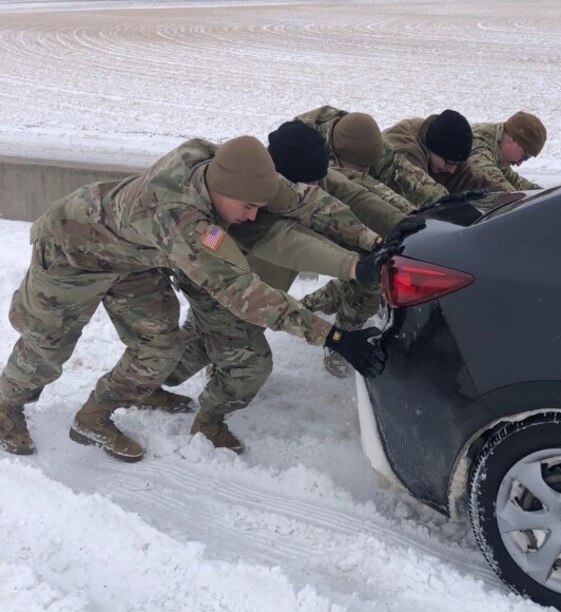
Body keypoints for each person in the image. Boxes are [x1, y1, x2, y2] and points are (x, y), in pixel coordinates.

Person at [0, 136, 386, 461]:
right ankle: (5, 407)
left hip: (135, 257)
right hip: (73, 250)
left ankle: (93, 417)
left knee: (159, 345)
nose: (252, 218)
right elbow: (244, 294)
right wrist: (334, 337)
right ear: (223, 192)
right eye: (247, 208)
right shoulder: (184, 223)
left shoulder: (224, 166)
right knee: (46, 347)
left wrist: (372, 241)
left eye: (258, 207)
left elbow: (305, 201)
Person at [165, 122, 400, 402]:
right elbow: (289, 244)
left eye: (317, 181)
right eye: (307, 184)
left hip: (264, 296)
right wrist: (335, 332)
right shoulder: (247, 207)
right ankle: (142, 387)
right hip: (231, 291)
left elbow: (356, 196)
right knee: (194, 353)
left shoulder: (307, 179)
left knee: (240, 340)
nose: (315, 188)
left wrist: (405, 224)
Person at [293, 106, 414, 236]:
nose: (366, 172)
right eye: (361, 167)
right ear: (337, 155)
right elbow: (355, 190)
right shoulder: (302, 157)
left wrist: (410, 213)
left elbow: (400, 170)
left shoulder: (361, 138)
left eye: (370, 166)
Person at [370, 109, 496, 210]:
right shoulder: (407, 153)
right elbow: (421, 194)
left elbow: (471, 177)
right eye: (450, 164)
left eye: (457, 164)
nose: (452, 170)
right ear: (433, 148)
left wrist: (506, 198)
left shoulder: (437, 139)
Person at [469, 112, 546, 191]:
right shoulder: (479, 142)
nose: (518, 164)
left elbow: (514, 180)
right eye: (523, 157)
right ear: (512, 139)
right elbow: (492, 180)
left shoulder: (498, 147)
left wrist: (542, 194)